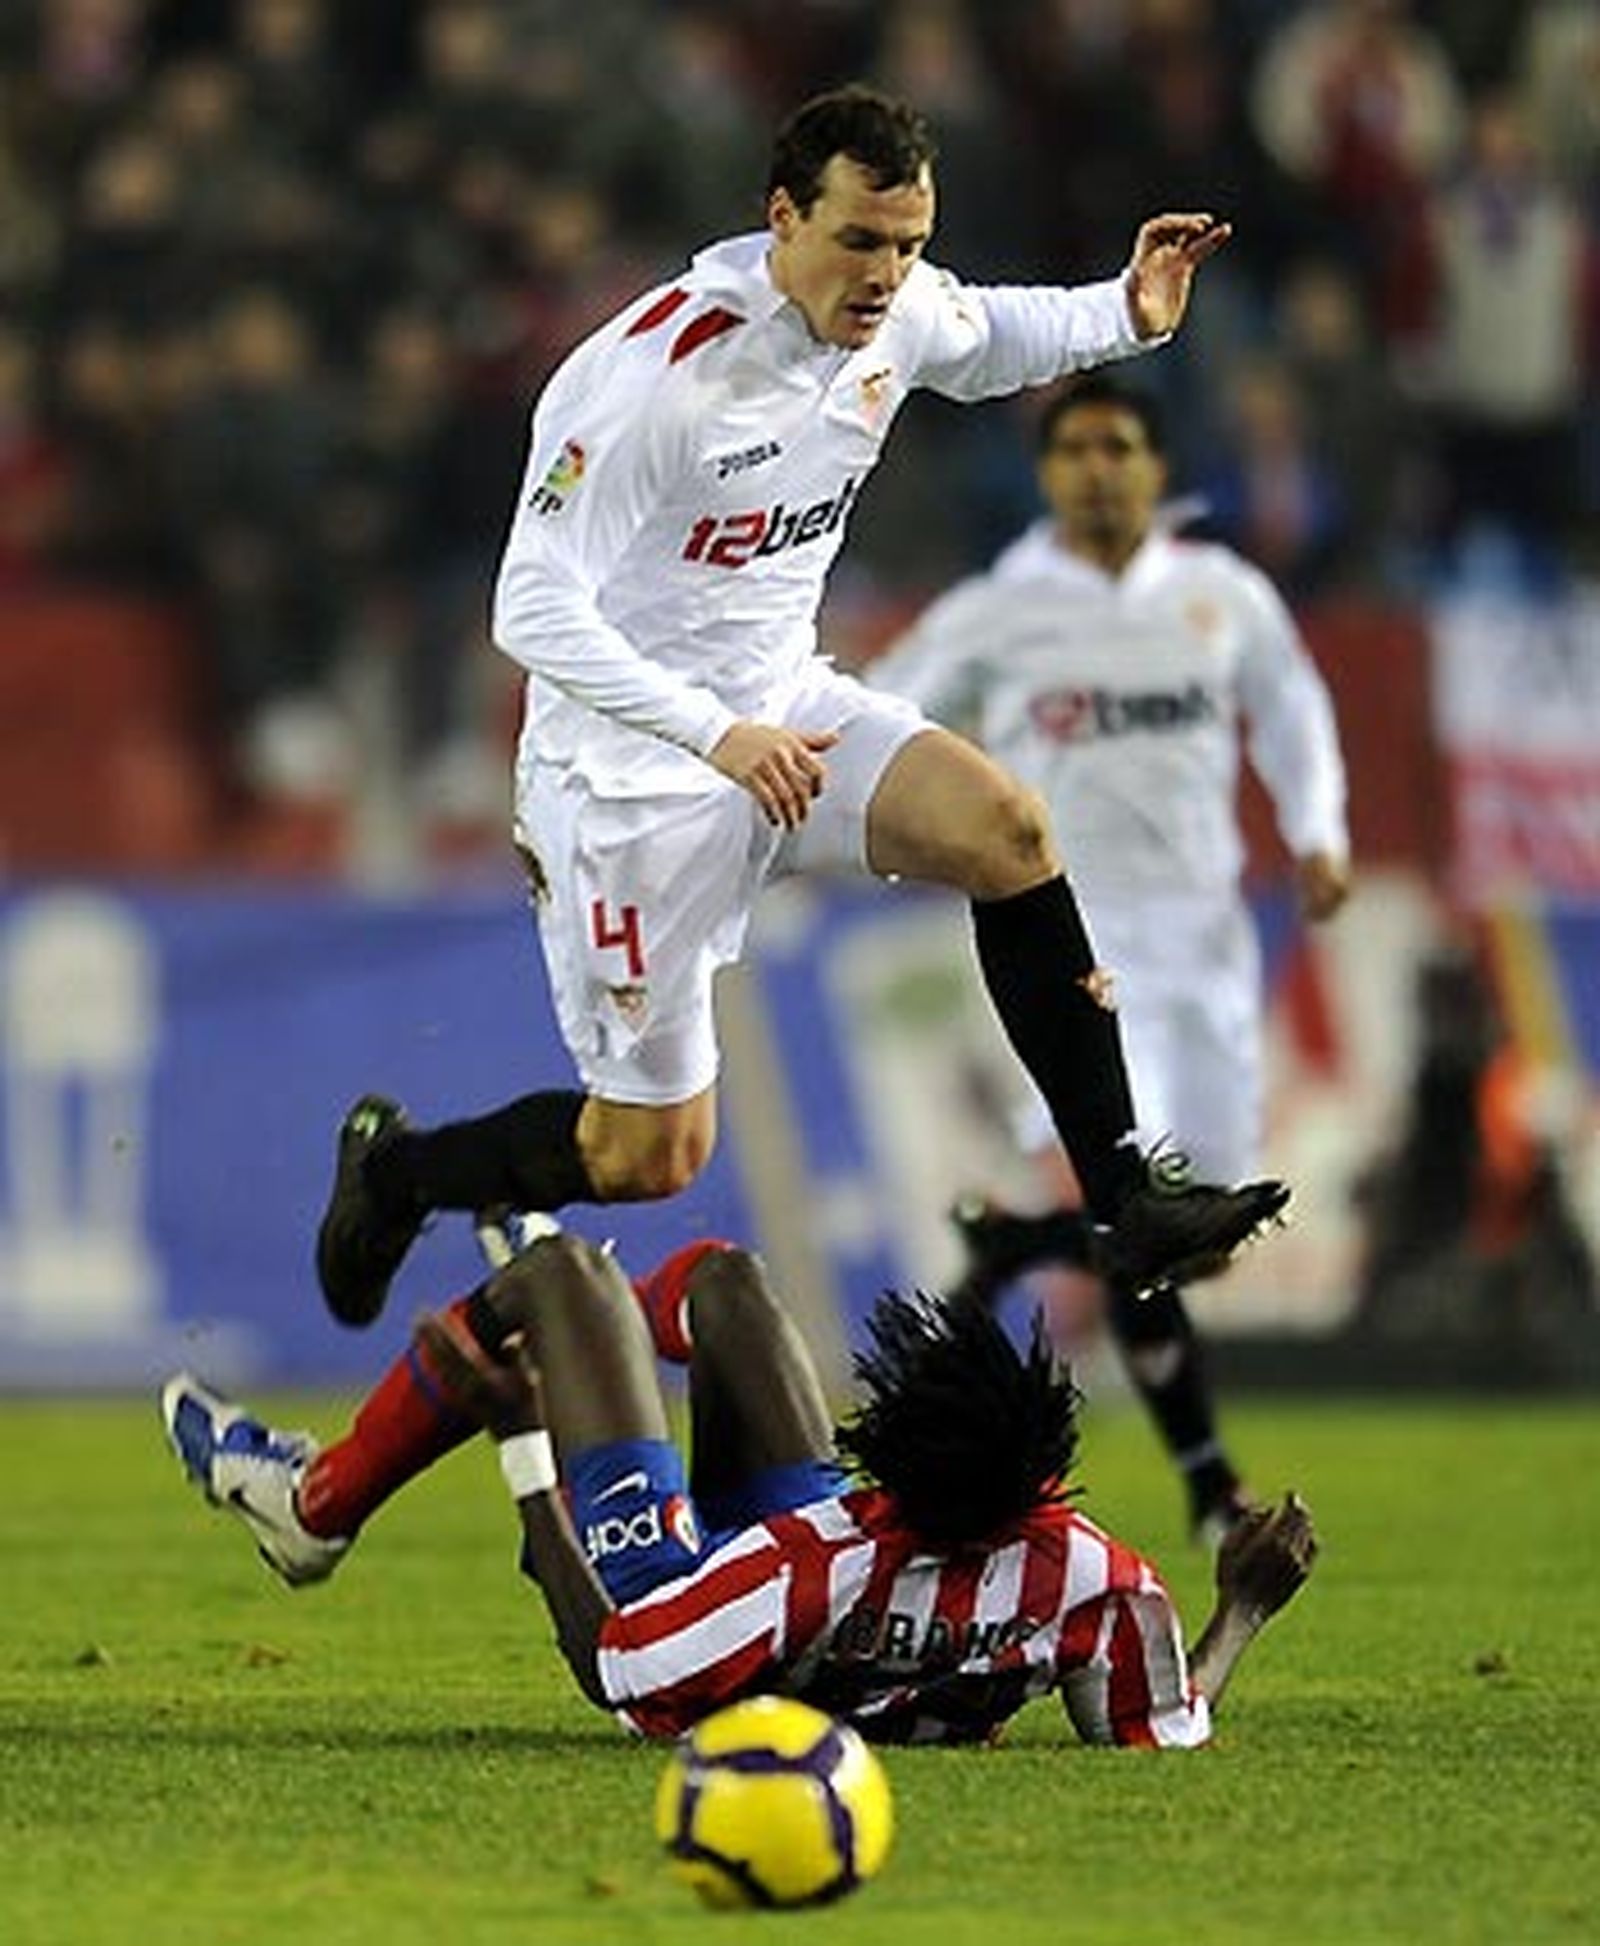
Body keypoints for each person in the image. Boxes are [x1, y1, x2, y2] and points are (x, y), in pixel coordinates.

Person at [311, 84, 1287, 1333]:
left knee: (1012, 835)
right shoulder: (647, 381)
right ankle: (399, 1175)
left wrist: (1127, 314)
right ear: (782, 217)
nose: (888, 275)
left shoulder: (896, 314)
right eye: (861, 241)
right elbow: (531, 612)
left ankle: (1121, 1200)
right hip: (634, 781)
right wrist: (719, 736)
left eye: (908, 243)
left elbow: (985, 334)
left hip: (789, 717)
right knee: (647, 1156)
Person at [162, 1221, 1319, 1747]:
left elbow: (614, 1664)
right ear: (1041, 1476)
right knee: (726, 1281)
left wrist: (525, 1451)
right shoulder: (1084, 1571)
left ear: (899, 1475)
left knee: (556, 1276)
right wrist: (1243, 1608)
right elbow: (1162, 1714)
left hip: (696, 1594)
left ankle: (313, 1508)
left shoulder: (801, 1567)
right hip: (828, 1592)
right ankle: (611, 1321)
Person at [870, 374, 1351, 1540]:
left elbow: (1290, 711)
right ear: (1046, 472)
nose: (1095, 466)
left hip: (1205, 939)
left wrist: (1318, 829)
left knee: (1201, 1233)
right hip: (1076, 944)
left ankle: (1017, 1242)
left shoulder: (1219, 595)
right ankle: (1205, 1482)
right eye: (1073, 447)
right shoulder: (1001, 608)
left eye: (1118, 445)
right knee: (1140, 1208)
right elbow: (886, 711)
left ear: (1153, 464)